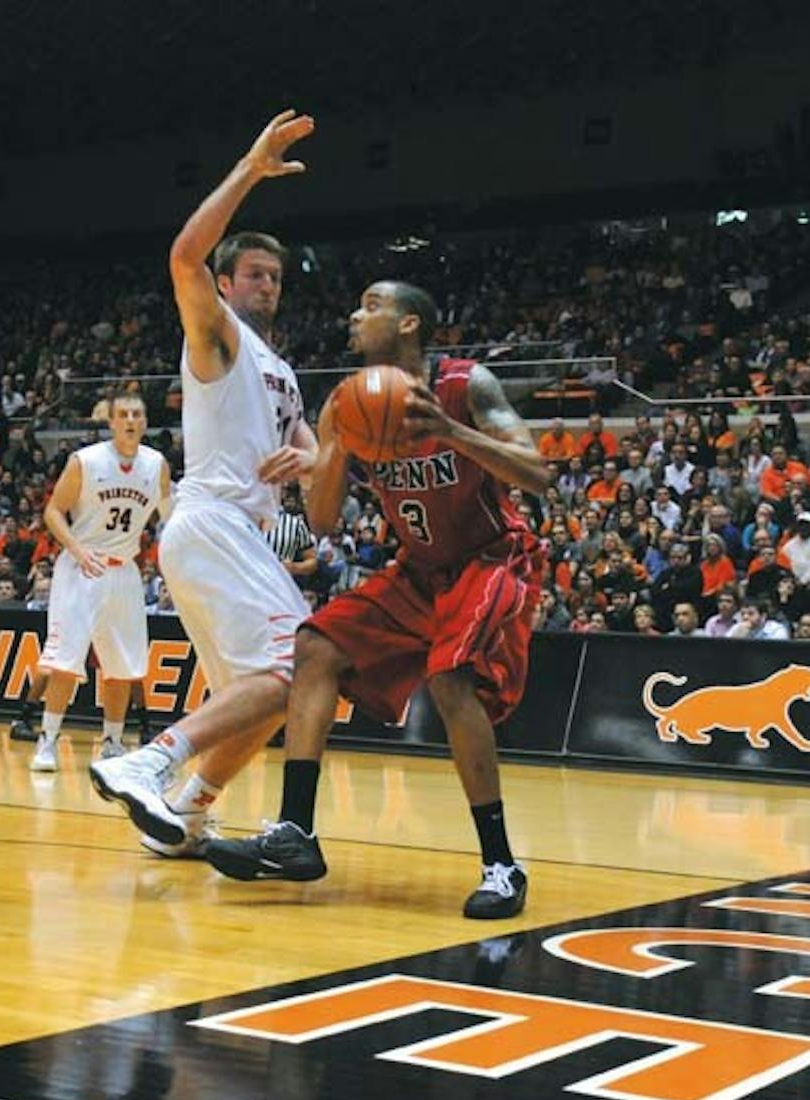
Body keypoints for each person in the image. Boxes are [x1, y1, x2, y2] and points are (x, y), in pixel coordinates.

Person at [206, 278, 549, 919]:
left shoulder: (465, 385)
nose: (354, 315)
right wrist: (330, 457)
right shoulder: (344, 404)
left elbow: (537, 474)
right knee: (315, 646)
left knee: (451, 680)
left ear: (411, 324)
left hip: (491, 555)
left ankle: (503, 865)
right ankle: (296, 836)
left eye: (370, 306)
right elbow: (325, 521)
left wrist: (451, 431)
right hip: (418, 568)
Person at [88, 110, 319, 856]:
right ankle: (148, 760)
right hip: (211, 519)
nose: (268, 285)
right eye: (255, 273)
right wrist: (252, 167)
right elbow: (183, 256)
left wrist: (309, 460)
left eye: (277, 277)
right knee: (300, 666)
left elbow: (308, 444)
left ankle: (188, 812)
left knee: (262, 699)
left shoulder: (280, 370)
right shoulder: (217, 335)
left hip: (235, 537)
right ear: (226, 284)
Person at [30, 394, 169, 771]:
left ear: (145, 422)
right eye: (122, 414)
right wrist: (76, 549)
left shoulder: (156, 465)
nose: (130, 420)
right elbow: (53, 511)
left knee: (122, 665)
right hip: (82, 567)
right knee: (64, 661)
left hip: (124, 570)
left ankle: (112, 742)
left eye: (137, 414)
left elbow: (169, 517)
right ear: (110, 421)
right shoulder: (86, 461)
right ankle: (47, 740)